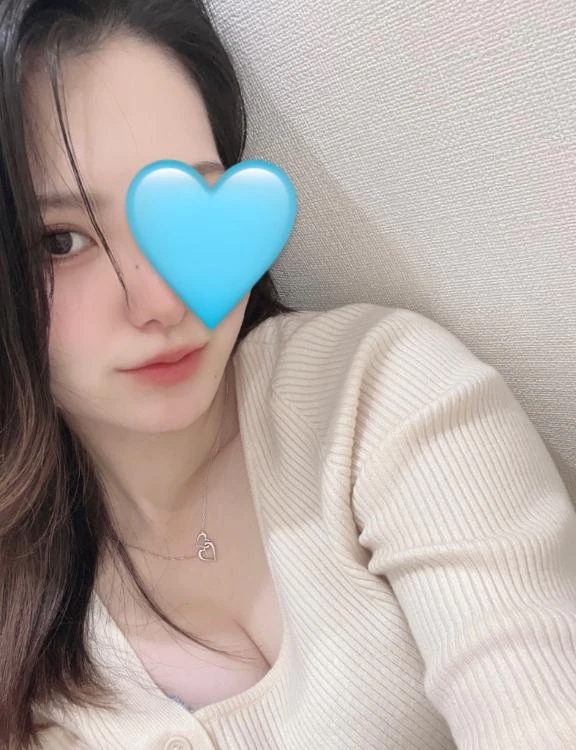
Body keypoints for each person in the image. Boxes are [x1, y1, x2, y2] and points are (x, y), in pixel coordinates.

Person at [0, 0, 575, 748]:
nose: (164, 301)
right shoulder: (20, 598)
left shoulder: (380, 397)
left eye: (186, 210)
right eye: (61, 241)